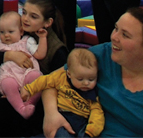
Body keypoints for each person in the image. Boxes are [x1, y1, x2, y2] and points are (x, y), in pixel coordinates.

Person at [43, 8, 143, 137]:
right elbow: (51, 81)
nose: (114, 37)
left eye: (125, 35)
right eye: (116, 28)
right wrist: (51, 114)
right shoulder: (101, 55)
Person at [0, 0, 69, 137]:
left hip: (39, 101)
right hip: (17, 89)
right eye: (24, 12)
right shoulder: (18, 30)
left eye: (33, 16)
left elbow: (58, 88)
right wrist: (9, 56)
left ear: (47, 22)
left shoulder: (56, 50)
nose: (25, 19)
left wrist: (23, 94)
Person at [21, 49, 103, 137]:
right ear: (69, 74)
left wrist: (90, 132)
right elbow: (45, 80)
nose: (86, 83)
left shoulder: (93, 95)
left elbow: (98, 114)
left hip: (81, 124)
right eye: (80, 79)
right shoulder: (61, 78)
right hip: (62, 118)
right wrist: (28, 89)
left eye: (91, 79)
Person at [0, 12, 46, 119]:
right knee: (7, 83)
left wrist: (43, 38)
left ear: (20, 31)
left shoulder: (27, 41)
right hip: (10, 76)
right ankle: (21, 109)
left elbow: (40, 54)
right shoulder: (0, 43)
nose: (6, 35)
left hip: (26, 74)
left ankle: (29, 103)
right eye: (2, 32)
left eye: (10, 31)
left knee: (37, 77)